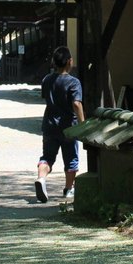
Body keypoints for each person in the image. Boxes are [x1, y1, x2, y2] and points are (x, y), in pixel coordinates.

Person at [35, 45, 84, 203]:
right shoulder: (73, 82)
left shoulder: (47, 80)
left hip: (49, 125)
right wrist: (82, 124)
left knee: (48, 157)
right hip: (68, 126)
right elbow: (76, 104)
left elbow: (45, 98)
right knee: (71, 159)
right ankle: (69, 189)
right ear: (70, 61)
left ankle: (41, 179)